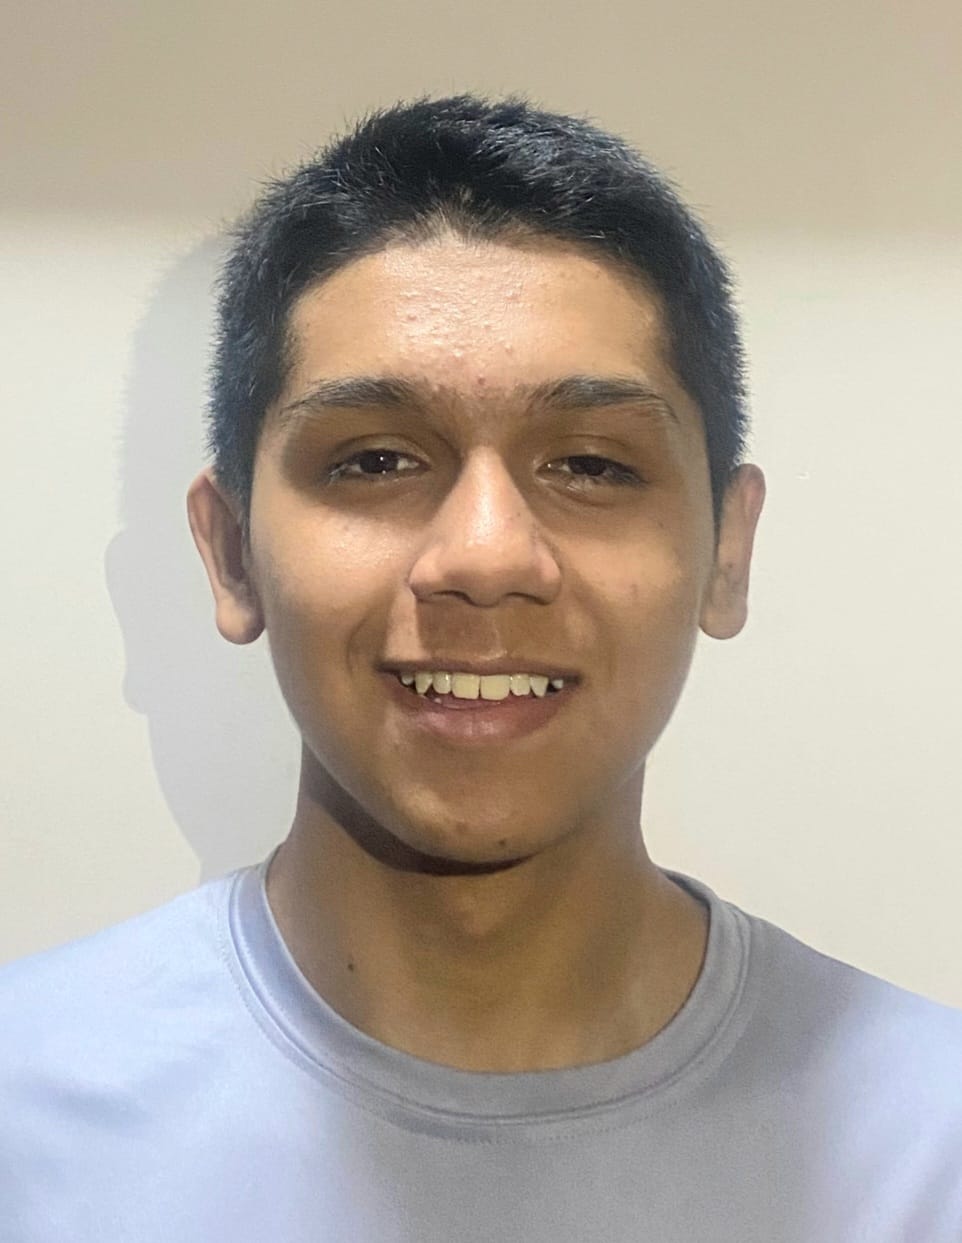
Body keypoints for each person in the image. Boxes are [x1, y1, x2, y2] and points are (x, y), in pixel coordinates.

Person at [2, 95, 960, 1241]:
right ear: (231, 552)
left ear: (726, 551)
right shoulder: (29, 1120)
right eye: (374, 459)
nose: (485, 557)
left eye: (591, 465)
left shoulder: (924, 1147)